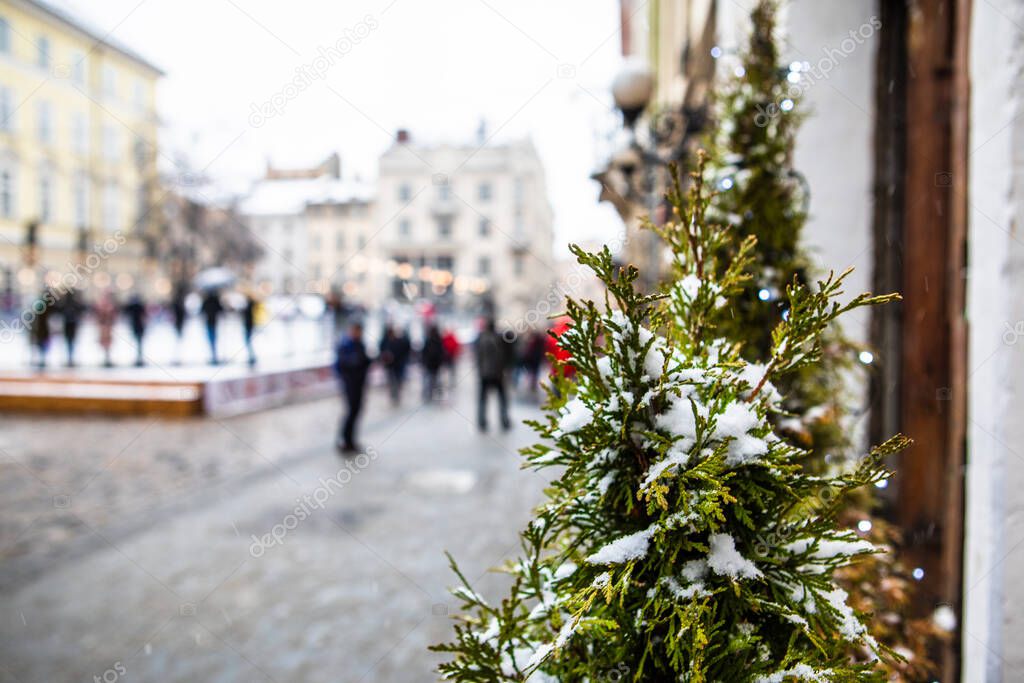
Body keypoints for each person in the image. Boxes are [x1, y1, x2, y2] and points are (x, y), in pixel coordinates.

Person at [334, 321, 372, 455]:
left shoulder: (359, 344)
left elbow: (364, 361)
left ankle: (351, 441)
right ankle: (344, 440)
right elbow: (343, 364)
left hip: (359, 383)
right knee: (350, 412)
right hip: (350, 383)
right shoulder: (345, 344)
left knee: (356, 411)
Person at [476, 318, 511, 432]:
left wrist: (480, 370)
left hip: (485, 373)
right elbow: (503, 356)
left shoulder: (482, 338)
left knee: (483, 399)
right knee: (502, 398)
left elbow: (478, 357)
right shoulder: (498, 338)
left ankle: (482, 421)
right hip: (497, 373)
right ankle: (504, 420)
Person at [378, 324, 411, 405]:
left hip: (398, 365)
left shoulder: (398, 340)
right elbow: (381, 351)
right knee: (391, 381)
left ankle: (396, 395)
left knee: (398, 380)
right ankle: (393, 395)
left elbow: (405, 348)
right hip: (390, 365)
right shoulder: (385, 341)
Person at [58, 289, 84, 367]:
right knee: (70, 343)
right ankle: (70, 359)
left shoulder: (68, 304)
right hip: (69, 325)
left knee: (70, 343)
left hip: (71, 325)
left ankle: (70, 359)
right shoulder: (71, 303)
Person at [420, 324, 446, 402]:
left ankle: (430, 394)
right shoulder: (438, 340)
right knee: (435, 379)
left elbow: (424, 352)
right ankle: (434, 393)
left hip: (432, 364)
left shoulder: (431, 340)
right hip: (434, 364)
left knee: (431, 379)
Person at [28, 289, 52, 370]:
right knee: (41, 345)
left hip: (41, 329)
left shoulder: (42, 305)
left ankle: (40, 360)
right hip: (42, 329)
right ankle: (41, 360)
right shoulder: (47, 306)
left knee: (40, 345)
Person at [94, 290, 118, 368]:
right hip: (104, 326)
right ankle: (106, 359)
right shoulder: (102, 304)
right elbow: (98, 315)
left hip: (108, 326)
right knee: (105, 342)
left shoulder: (109, 305)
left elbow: (113, 315)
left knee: (108, 342)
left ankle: (107, 358)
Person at [123, 294, 147, 366]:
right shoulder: (138, 307)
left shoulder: (134, 307)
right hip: (137, 327)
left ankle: (138, 358)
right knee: (138, 343)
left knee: (138, 343)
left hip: (137, 327)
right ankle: (138, 358)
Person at [200, 290, 223, 365]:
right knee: (213, 340)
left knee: (211, 340)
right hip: (214, 322)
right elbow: (221, 310)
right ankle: (214, 356)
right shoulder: (215, 301)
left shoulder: (207, 301)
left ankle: (213, 356)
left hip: (209, 322)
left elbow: (201, 311)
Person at [522, 329, 547, 396]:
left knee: (532, 372)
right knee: (534, 372)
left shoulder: (533, 342)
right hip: (536, 359)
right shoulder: (540, 342)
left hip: (533, 359)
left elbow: (529, 350)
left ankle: (532, 384)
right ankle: (532, 384)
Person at [170, 284, 188, 364]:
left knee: (178, 340)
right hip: (178, 323)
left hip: (178, 322)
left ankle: (178, 357)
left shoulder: (178, 302)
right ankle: (177, 357)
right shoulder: (180, 302)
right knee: (177, 340)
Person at [242, 293, 258, 367]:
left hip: (249, 324)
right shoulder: (249, 305)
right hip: (248, 324)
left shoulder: (250, 304)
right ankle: (251, 356)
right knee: (248, 341)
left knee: (248, 341)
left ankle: (252, 356)